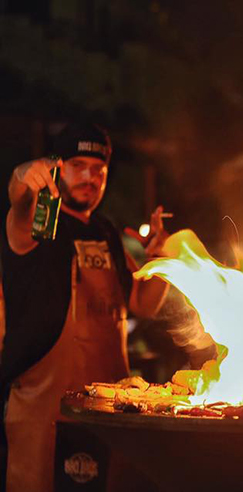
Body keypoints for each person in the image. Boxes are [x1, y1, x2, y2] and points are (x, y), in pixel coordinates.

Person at [1, 122, 170, 492]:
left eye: (99, 170)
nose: (90, 177)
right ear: (56, 168)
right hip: (43, 409)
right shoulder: (39, 222)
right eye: (78, 166)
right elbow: (19, 196)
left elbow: (142, 305)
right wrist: (22, 175)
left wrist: (162, 262)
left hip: (109, 409)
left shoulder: (108, 233)